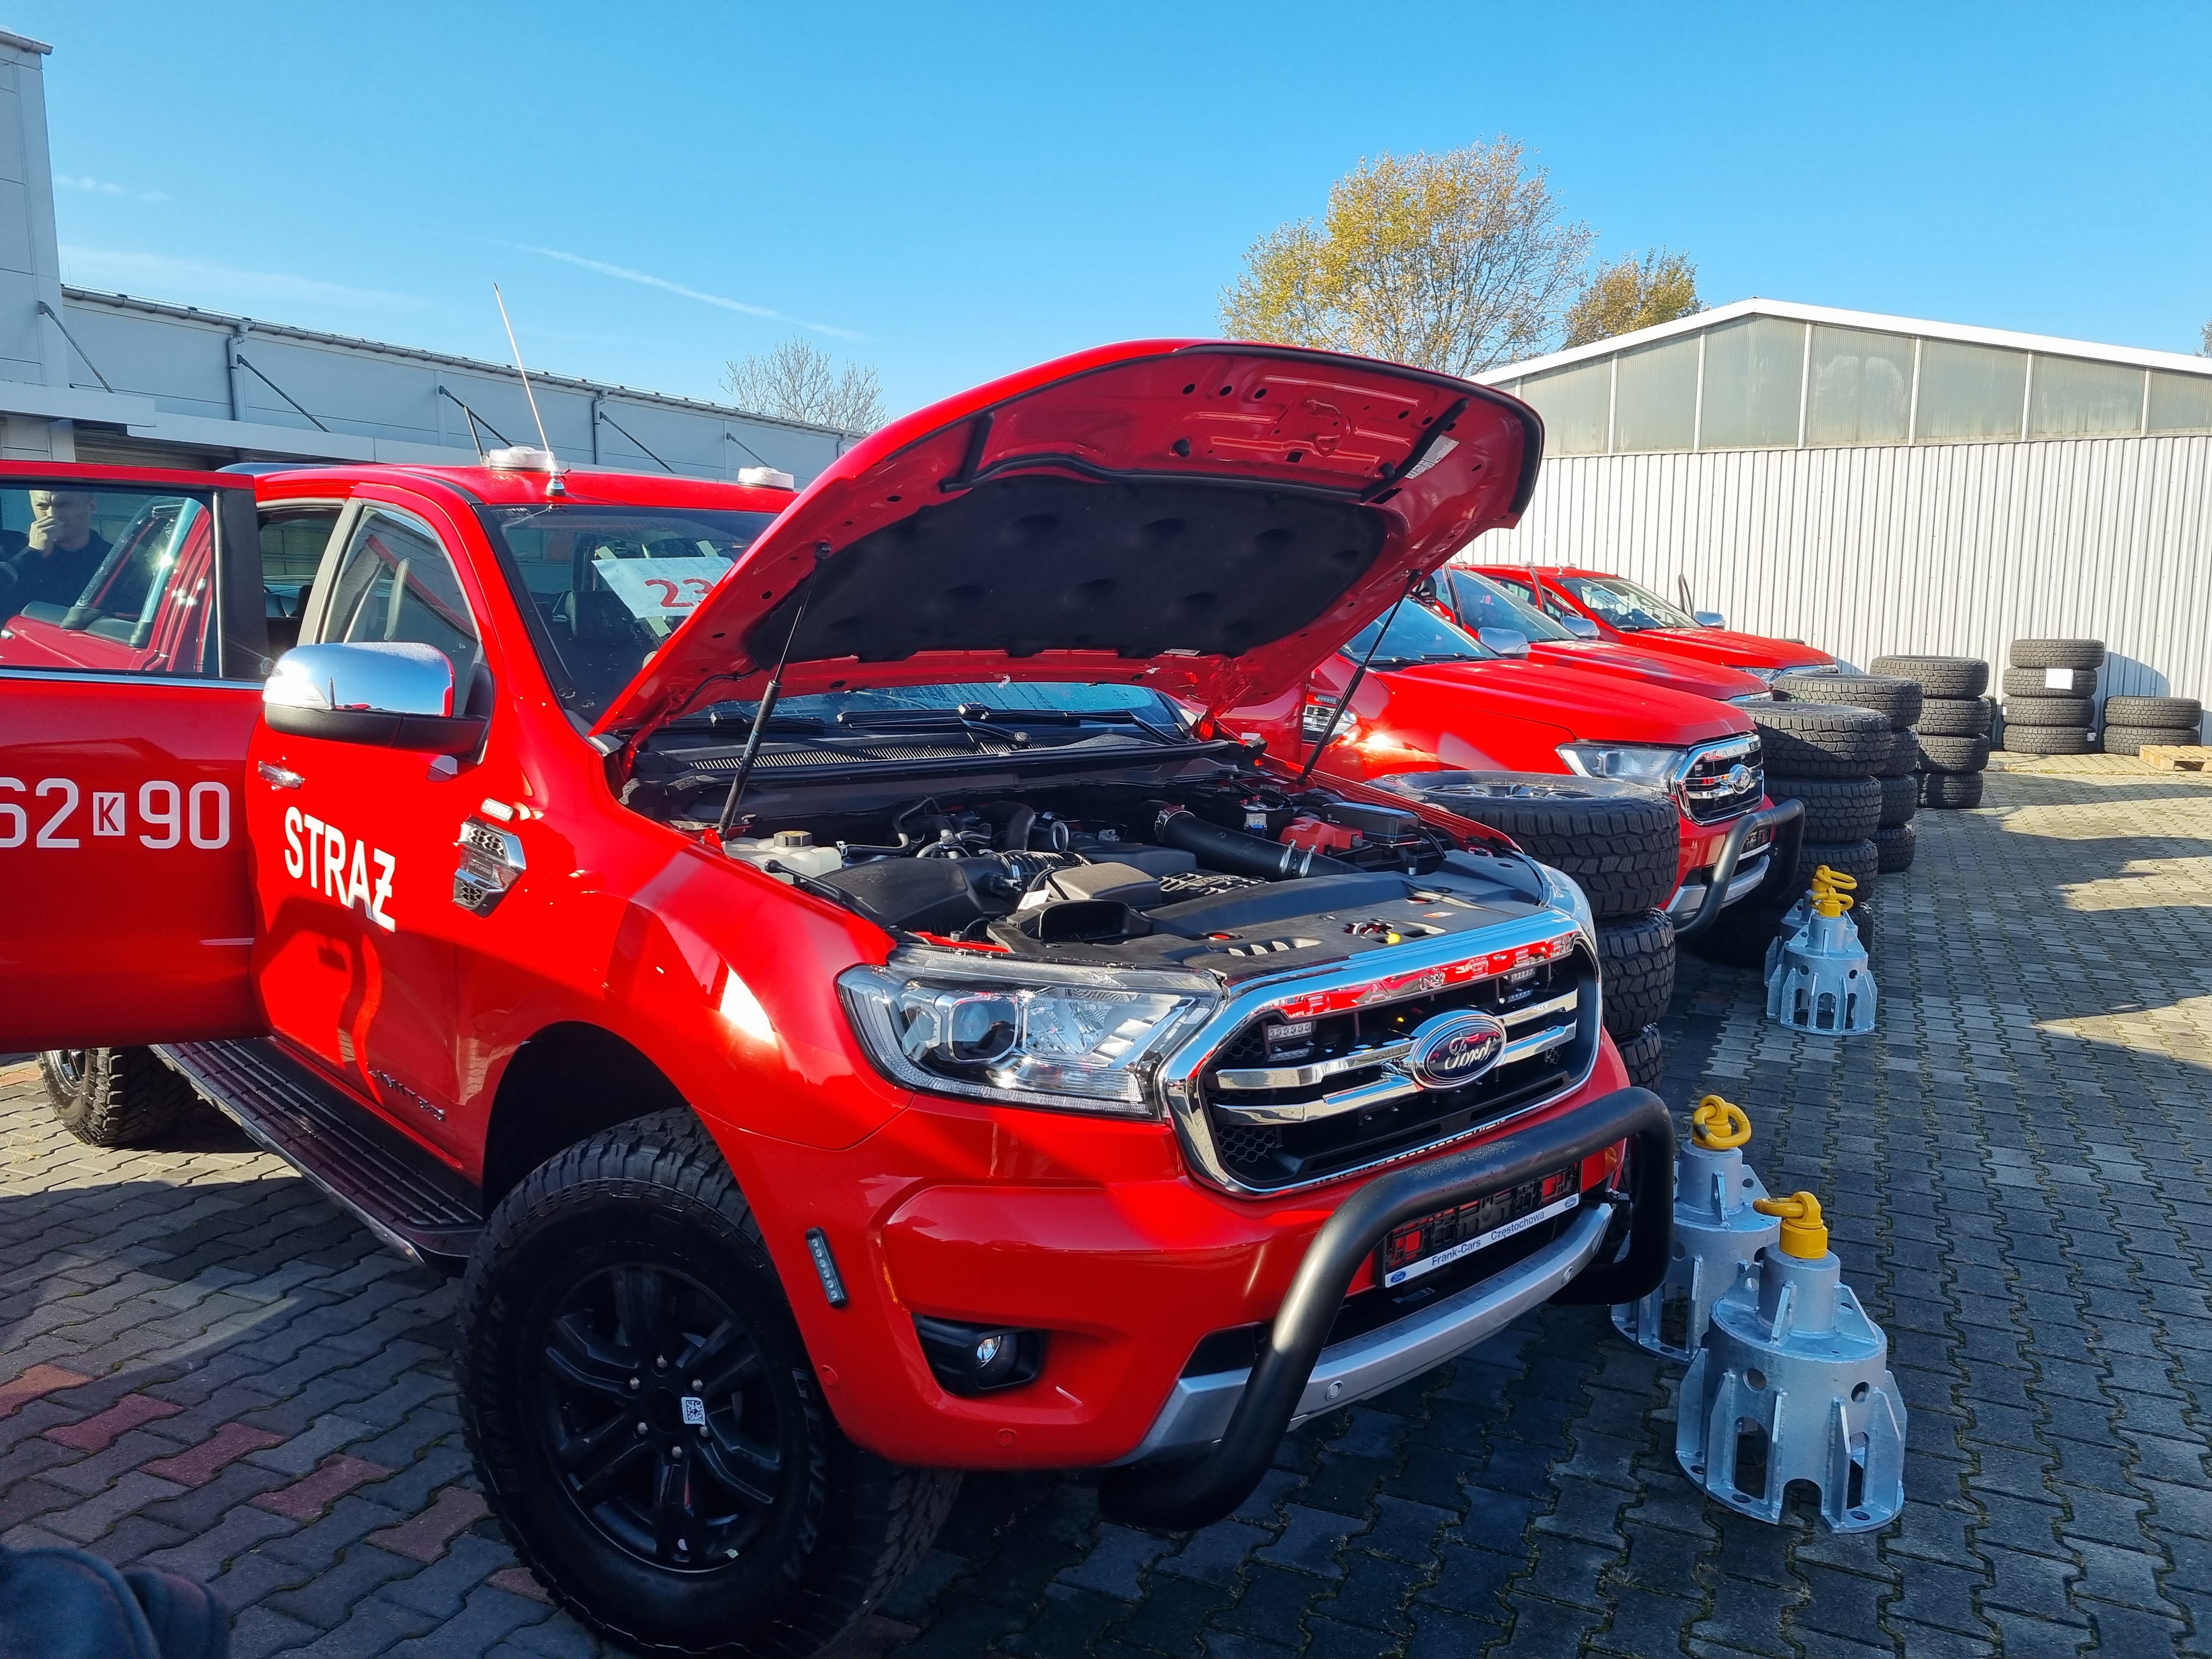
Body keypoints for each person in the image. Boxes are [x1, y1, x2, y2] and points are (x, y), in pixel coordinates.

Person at [0, 488, 114, 610]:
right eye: (42, 506)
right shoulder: (7, 551)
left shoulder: (113, 560)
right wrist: (31, 554)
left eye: (63, 505)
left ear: (91, 507)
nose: (52, 515)